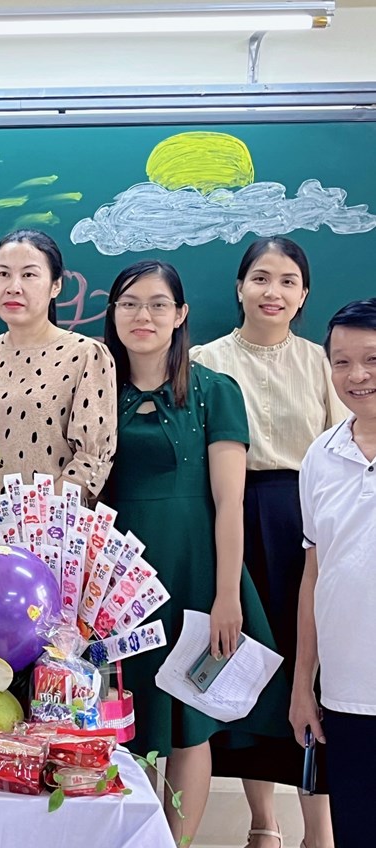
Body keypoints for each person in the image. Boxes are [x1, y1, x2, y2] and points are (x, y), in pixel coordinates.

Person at [102, 259, 290, 846]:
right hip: (115, 577)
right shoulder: (95, 387)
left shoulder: (214, 390)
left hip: (193, 569)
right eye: (130, 303)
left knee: (189, 720)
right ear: (113, 313)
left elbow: (229, 503)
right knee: (122, 716)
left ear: (181, 314)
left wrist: (227, 595)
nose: (144, 316)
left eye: (158, 304)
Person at [193, 238, 342, 848]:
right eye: (260, 277)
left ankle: (320, 831)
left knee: (315, 670)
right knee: (249, 670)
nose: (272, 292)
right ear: (239, 286)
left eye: (287, 281)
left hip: (307, 525)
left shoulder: (323, 362)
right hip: (230, 522)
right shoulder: (203, 359)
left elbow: (344, 447)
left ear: (303, 295)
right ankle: (264, 823)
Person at [292, 298, 376, 847]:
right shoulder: (321, 455)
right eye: (341, 362)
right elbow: (314, 577)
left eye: (372, 359)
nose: (357, 375)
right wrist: (304, 685)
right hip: (347, 697)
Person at [0, 229, 116, 499]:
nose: (14, 287)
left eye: (29, 275)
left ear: (56, 285)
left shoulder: (85, 354)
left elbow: (92, 459)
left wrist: (36, 513)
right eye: (3, 274)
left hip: (53, 519)